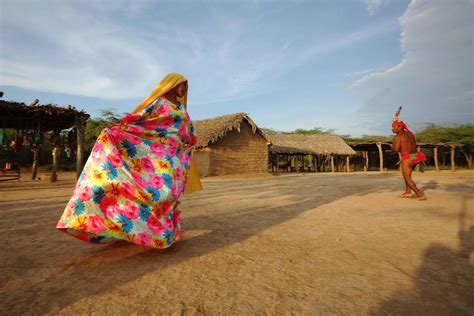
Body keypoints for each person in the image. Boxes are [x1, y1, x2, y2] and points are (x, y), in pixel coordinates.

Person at [57, 73, 202, 248]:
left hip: (175, 158)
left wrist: (191, 140)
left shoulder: (181, 108)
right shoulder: (160, 104)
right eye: (183, 85)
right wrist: (119, 128)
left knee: (170, 195)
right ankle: (132, 227)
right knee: (156, 193)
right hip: (156, 154)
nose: (185, 89)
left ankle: (164, 233)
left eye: (186, 87)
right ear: (172, 85)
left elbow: (188, 130)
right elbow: (138, 118)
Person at [391, 119, 427, 200]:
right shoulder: (410, 134)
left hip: (407, 158)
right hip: (415, 156)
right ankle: (408, 192)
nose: (392, 128)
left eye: (394, 126)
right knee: (407, 176)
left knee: (407, 177)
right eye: (392, 126)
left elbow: (396, 149)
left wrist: (392, 146)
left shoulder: (398, 137)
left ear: (400, 127)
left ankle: (419, 194)